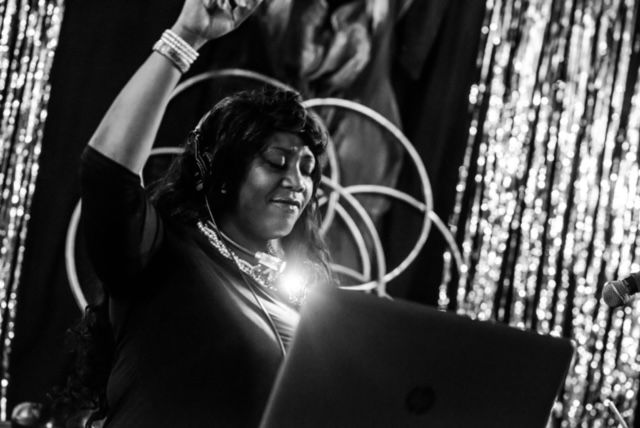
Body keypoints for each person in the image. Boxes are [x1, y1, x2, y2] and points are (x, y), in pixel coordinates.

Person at [69, 0, 333, 426]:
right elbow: (107, 174)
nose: (297, 182)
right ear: (226, 173)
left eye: (307, 169)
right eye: (277, 162)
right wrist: (186, 37)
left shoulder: (305, 300)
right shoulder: (166, 255)